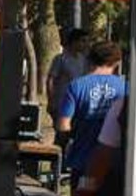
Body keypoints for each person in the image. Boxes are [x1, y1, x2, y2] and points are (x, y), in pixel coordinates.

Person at [56, 41, 127, 186]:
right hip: (114, 163)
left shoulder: (76, 86)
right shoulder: (126, 88)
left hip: (83, 161)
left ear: (91, 59)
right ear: (117, 62)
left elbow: (63, 126)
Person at [46, 28, 92, 130]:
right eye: (83, 41)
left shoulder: (84, 60)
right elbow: (51, 80)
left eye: (87, 41)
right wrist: (51, 100)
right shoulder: (60, 59)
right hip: (62, 103)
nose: (86, 44)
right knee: (62, 133)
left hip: (79, 104)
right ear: (74, 42)